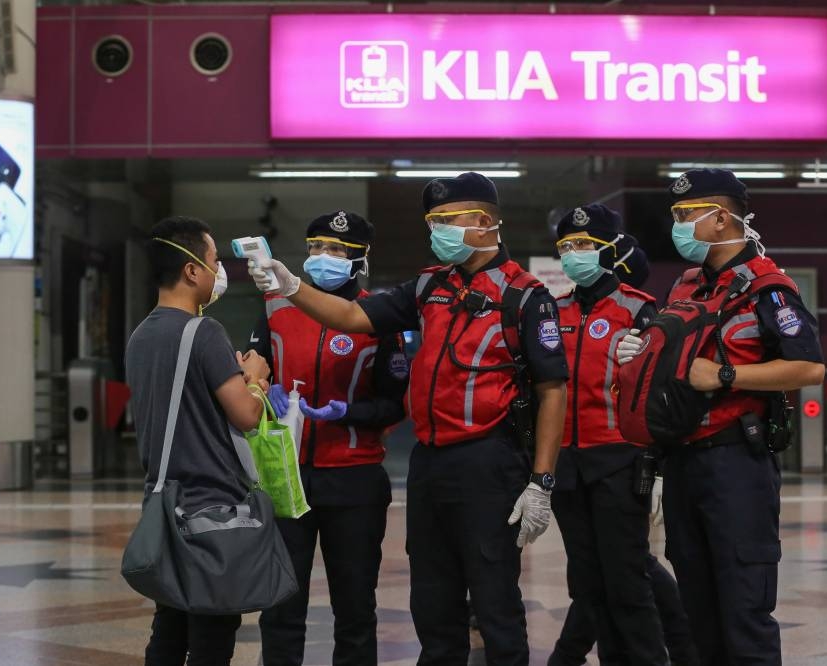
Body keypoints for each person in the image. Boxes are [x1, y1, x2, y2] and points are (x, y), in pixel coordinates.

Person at [247, 172, 569, 665]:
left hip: (489, 462)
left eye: (445, 220)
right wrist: (291, 285)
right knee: (432, 605)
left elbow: (552, 389)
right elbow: (355, 317)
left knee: (494, 603)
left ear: (483, 222)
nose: (434, 231)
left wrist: (541, 481)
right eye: (431, 222)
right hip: (430, 464)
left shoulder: (524, 296)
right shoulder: (429, 286)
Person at [619, 168, 825, 666]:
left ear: (720, 217)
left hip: (736, 464)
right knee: (697, 611)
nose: (680, 225)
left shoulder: (767, 287)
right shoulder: (688, 284)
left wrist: (726, 376)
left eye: (688, 214)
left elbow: (809, 367)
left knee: (743, 610)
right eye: (676, 215)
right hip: (685, 460)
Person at [248, 211, 408, 666]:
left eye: (337, 250)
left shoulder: (377, 316)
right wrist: (262, 389)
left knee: (355, 608)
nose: (323, 257)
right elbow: (253, 369)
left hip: (354, 480)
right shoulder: (277, 306)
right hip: (286, 475)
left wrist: (348, 413)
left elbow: (397, 402)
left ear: (359, 259)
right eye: (316, 247)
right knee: (280, 606)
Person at [547, 205, 697, 666]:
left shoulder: (639, 308)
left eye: (586, 245)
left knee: (628, 581)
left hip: (620, 461)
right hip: (568, 467)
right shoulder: (556, 310)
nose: (575, 254)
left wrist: (659, 467)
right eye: (567, 246)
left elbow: (658, 393)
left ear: (610, 248)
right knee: (588, 583)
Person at [125, 216, 271, 666]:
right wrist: (257, 381)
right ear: (191, 270)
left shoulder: (141, 335)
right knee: (212, 632)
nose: (217, 272)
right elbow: (245, 415)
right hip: (212, 505)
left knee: (170, 625)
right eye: (213, 261)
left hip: (164, 501)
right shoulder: (203, 332)